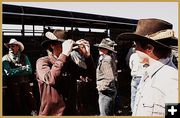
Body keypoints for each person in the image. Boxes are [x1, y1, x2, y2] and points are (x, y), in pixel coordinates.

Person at [117, 18, 178, 116]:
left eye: (137, 45)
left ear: (149, 48)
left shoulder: (171, 80)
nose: (135, 49)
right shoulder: (148, 73)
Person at [36, 29, 98, 116]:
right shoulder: (43, 62)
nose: (67, 48)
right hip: (51, 113)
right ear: (52, 45)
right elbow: (51, 79)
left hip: (70, 112)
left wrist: (87, 56)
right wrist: (64, 54)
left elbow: (90, 77)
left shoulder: (69, 63)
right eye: (62, 45)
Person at [2, 38, 37, 115]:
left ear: (18, 47)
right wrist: (22, 68)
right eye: (9, 46)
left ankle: (34, 113)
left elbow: (29, 70)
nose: (10, 48)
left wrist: (15, 70)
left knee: (31, 99)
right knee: (16, 102)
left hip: (25, 83)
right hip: (13, 85)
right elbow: (8, 73)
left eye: (13, 46)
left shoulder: (24, 57)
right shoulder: (5, 58)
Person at [95, 38, 117, 116]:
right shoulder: (108, 57)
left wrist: (101, 87)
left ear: (107, 50)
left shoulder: (106, 59)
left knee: (104, 113)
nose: (99, 49)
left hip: (106, 91)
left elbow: (109, 77)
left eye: (102, 48)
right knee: (109, 112)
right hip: (109, 89)